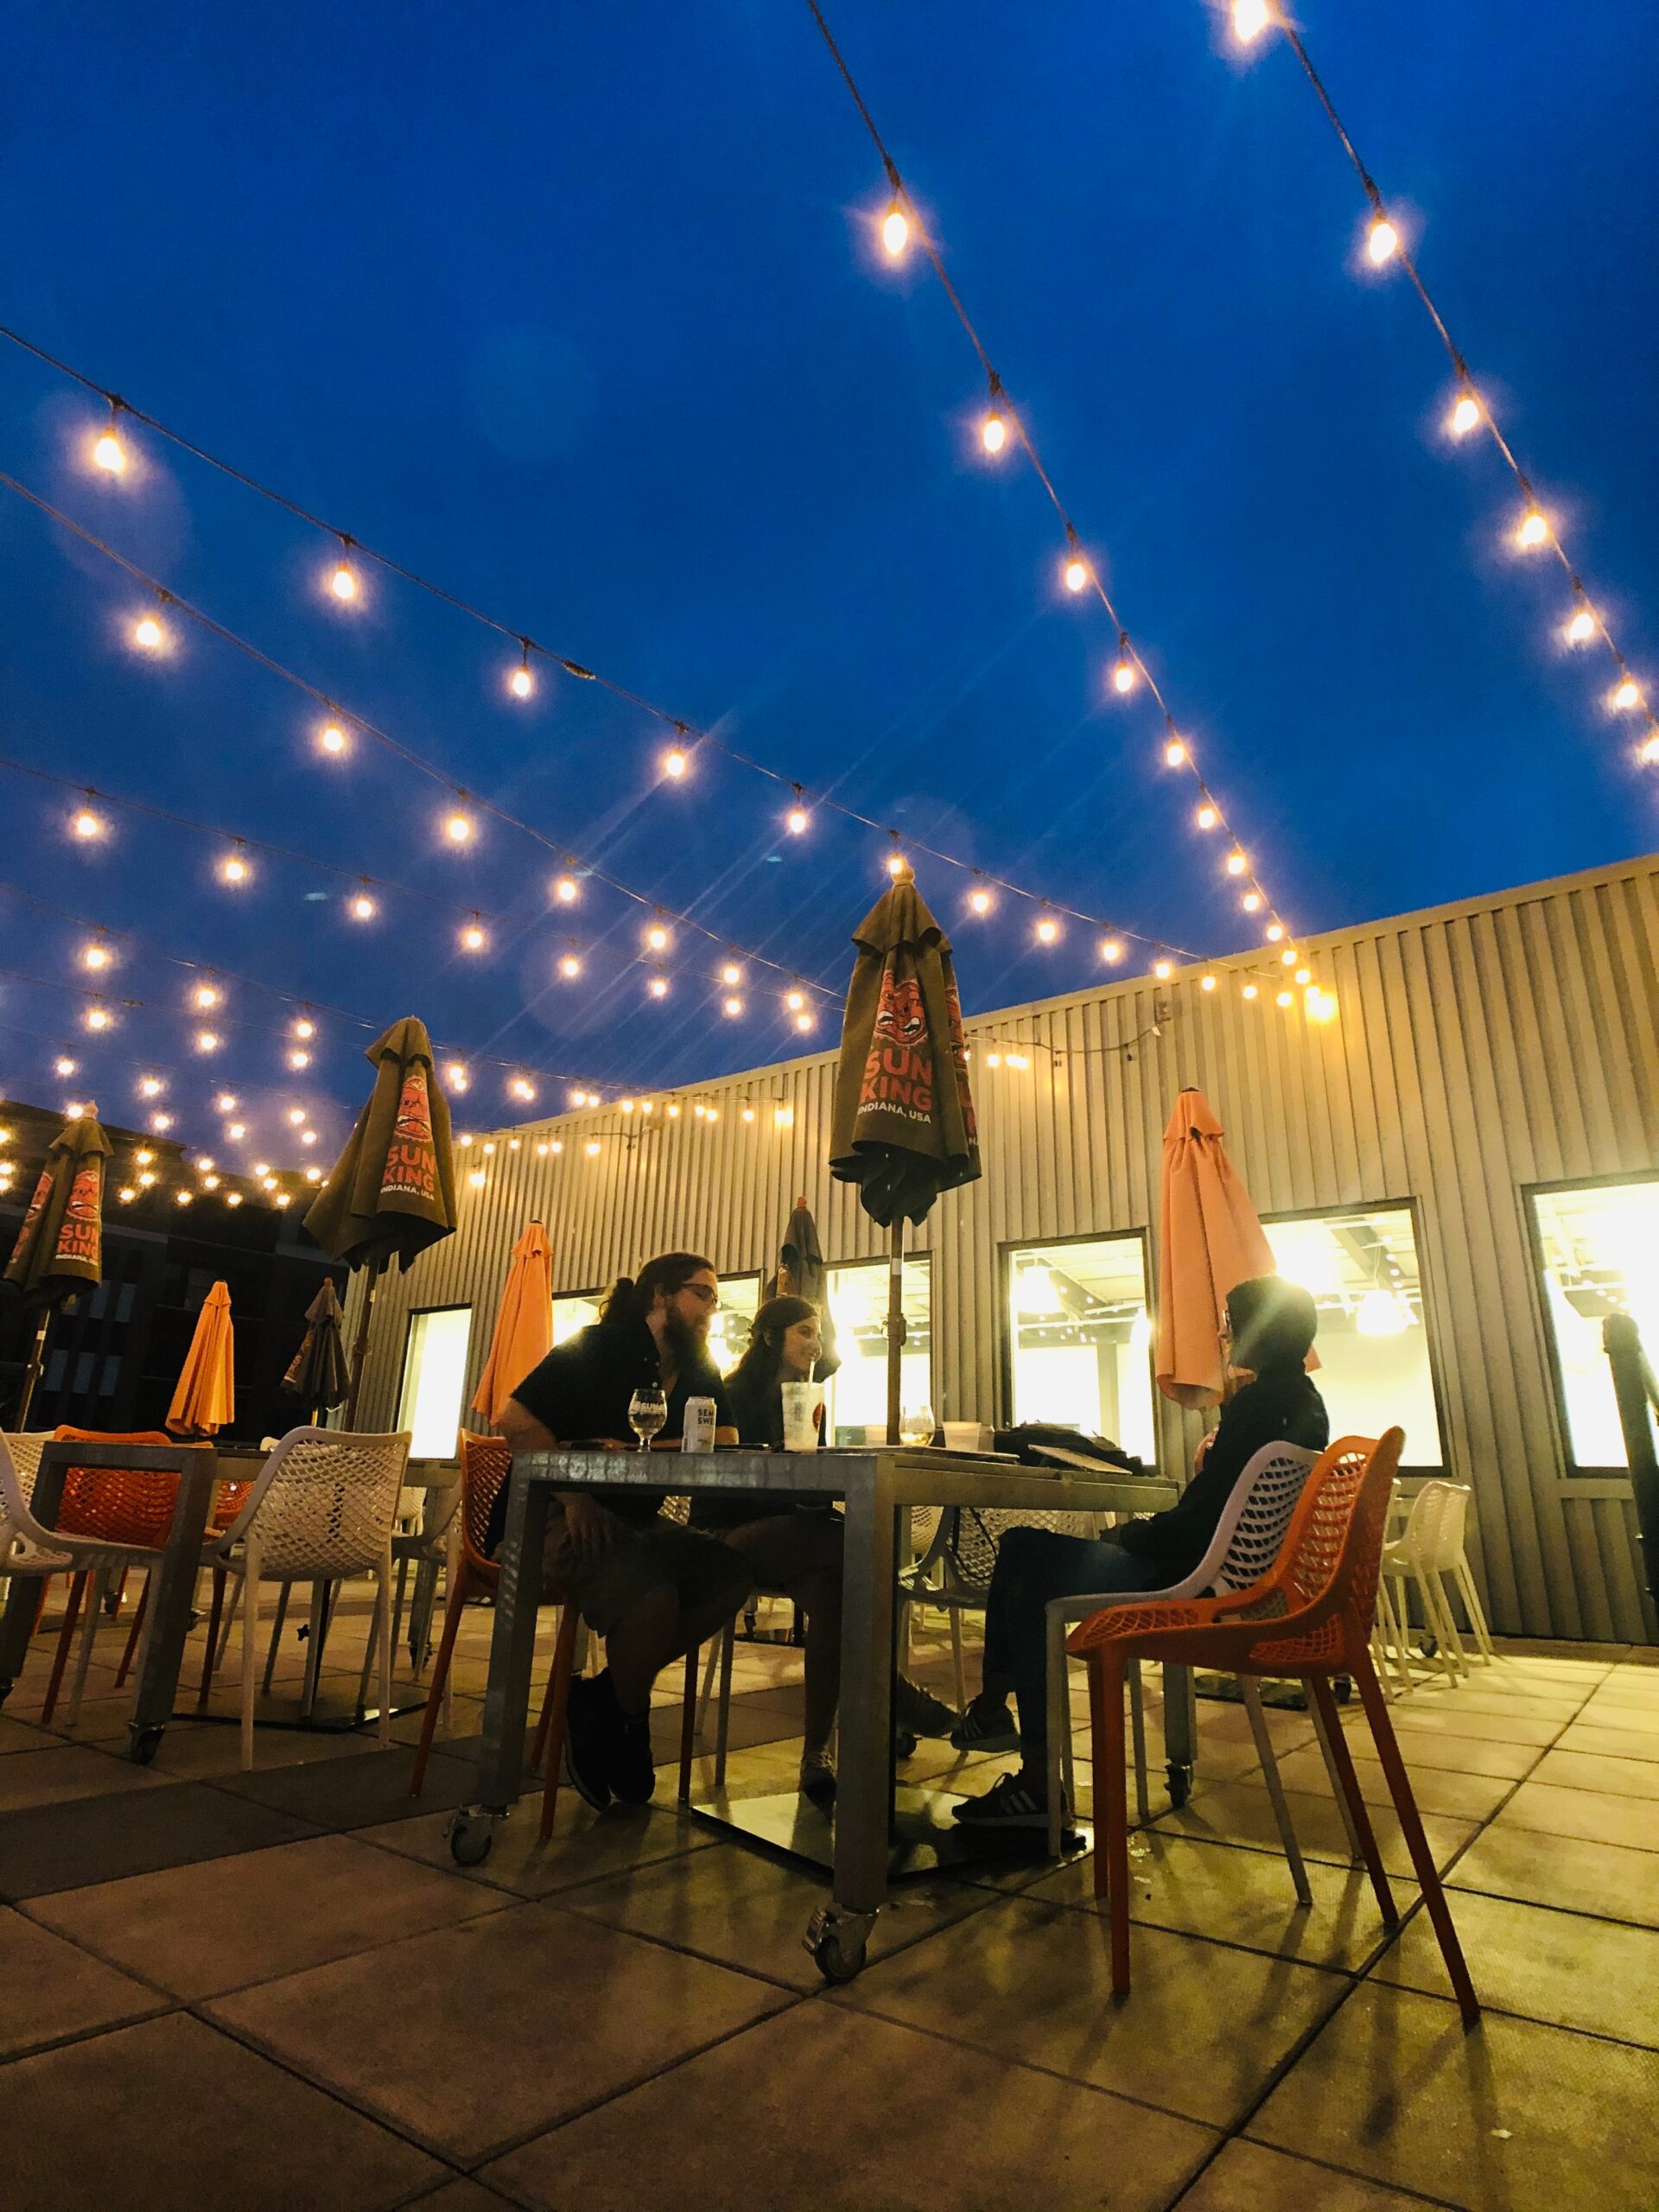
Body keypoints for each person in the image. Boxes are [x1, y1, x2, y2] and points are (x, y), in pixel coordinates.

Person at [949, 1274, 1327, 1830]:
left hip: (1185, 1575)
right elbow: (1216, 1510)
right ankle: (992, 1716)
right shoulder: (1305, 1406)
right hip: (1226, 1572)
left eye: (1231, 1322)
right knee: (1025, 1556)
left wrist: (1130, 1536)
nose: (1224, 1335)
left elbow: (1199, 1520)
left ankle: (1022, 1759)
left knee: (1023, 1557)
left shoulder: (1258, 1407)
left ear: (1260, 1332)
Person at [493, 1251, 752, 1813]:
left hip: (632, 1520)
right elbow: (512, 1419)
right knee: (652, 1594)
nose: (712, 1308)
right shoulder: (600, 1344)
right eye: (701, 1294)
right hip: (549, 1516)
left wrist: (637, 1449)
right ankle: (629, 1720)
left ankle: (601, 1700)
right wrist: (575, 1491)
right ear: (660, 1294)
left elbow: (724, 1438)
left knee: (731, 1572)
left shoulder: (697, 1363)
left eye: (715, 1298)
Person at [696, 1294, 961, 1804]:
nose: (817, 1345)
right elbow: (725, 1483)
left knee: (833, 1592)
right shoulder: (733, 1394)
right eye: (805, 1332)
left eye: (818, 1334)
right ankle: (893, 1692)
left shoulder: (805, 1400)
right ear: (772, 1338)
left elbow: (805, 1482)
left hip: (793, 1543)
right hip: (729, 1533)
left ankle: (817, 1754)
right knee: (854, 1541)